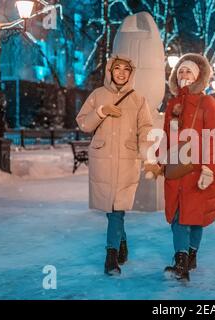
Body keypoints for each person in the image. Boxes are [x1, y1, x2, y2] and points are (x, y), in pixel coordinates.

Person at [76, 54, 160, 276]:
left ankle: (110, 257)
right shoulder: (97, 95)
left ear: (131, 74)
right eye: (117, 68)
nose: (121, 72)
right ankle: (120, 242)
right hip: (102, 160)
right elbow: (83, 123)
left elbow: (146, 131)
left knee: (117, 210)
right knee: (111, 209)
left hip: (126, 160)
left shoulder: (138, 100)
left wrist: (149, 158)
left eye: (126, 69)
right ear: (110, 71)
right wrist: (101, 111)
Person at [157, 53, 215, 281]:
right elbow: (165, 136)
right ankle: (181, 261)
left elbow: (212, 137)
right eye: (181, 71)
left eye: (189, 71)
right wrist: (158, 160)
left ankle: (190, 256)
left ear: (198, 76)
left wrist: (209, 169)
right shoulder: (172, 104)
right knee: (177, 217)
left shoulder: (208, 103)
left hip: (197, 169)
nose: (184, 75)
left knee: (195, 217)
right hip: (175, 168)